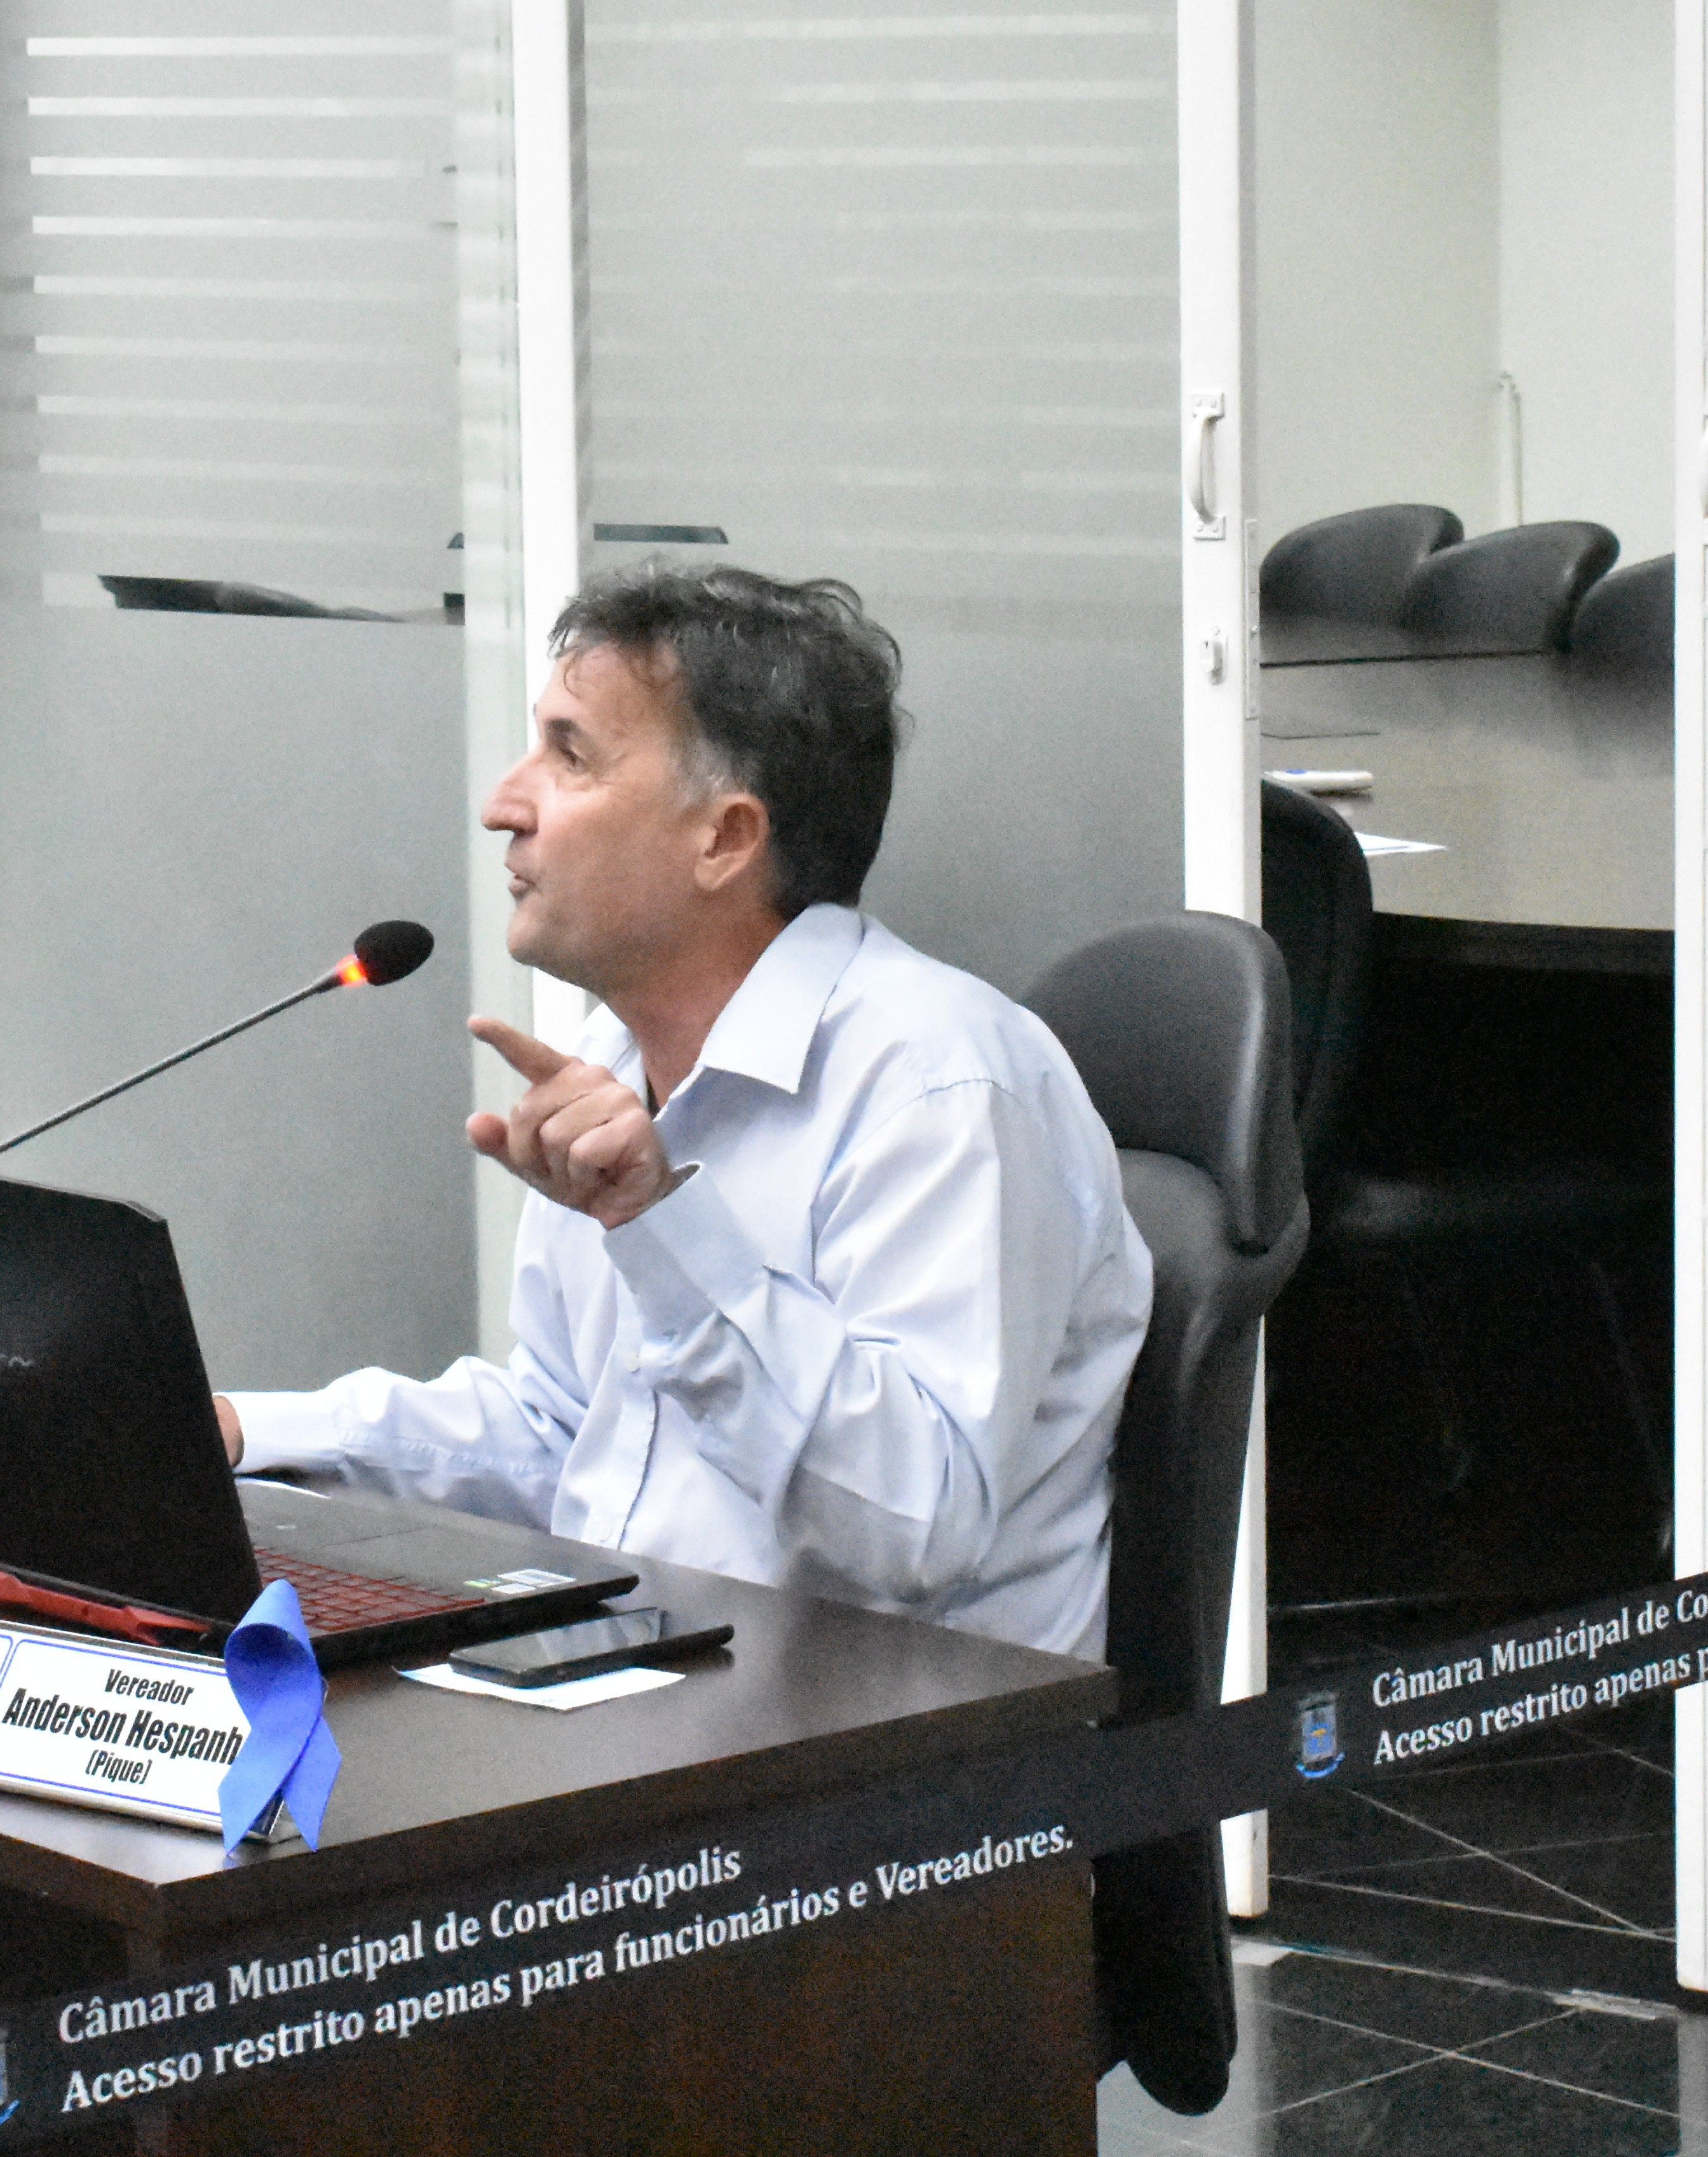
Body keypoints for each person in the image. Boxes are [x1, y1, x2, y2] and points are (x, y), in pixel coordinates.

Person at [214, 564, 1154, 1659]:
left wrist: (664, 1229)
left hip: (891, 1734)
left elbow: (914, 1523)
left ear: (724, 839)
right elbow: (566, 1435)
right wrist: (243, 1434)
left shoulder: (939, 1083)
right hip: (646, 1680)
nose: (504, 804)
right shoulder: (615, 1058)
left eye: (571, 757)